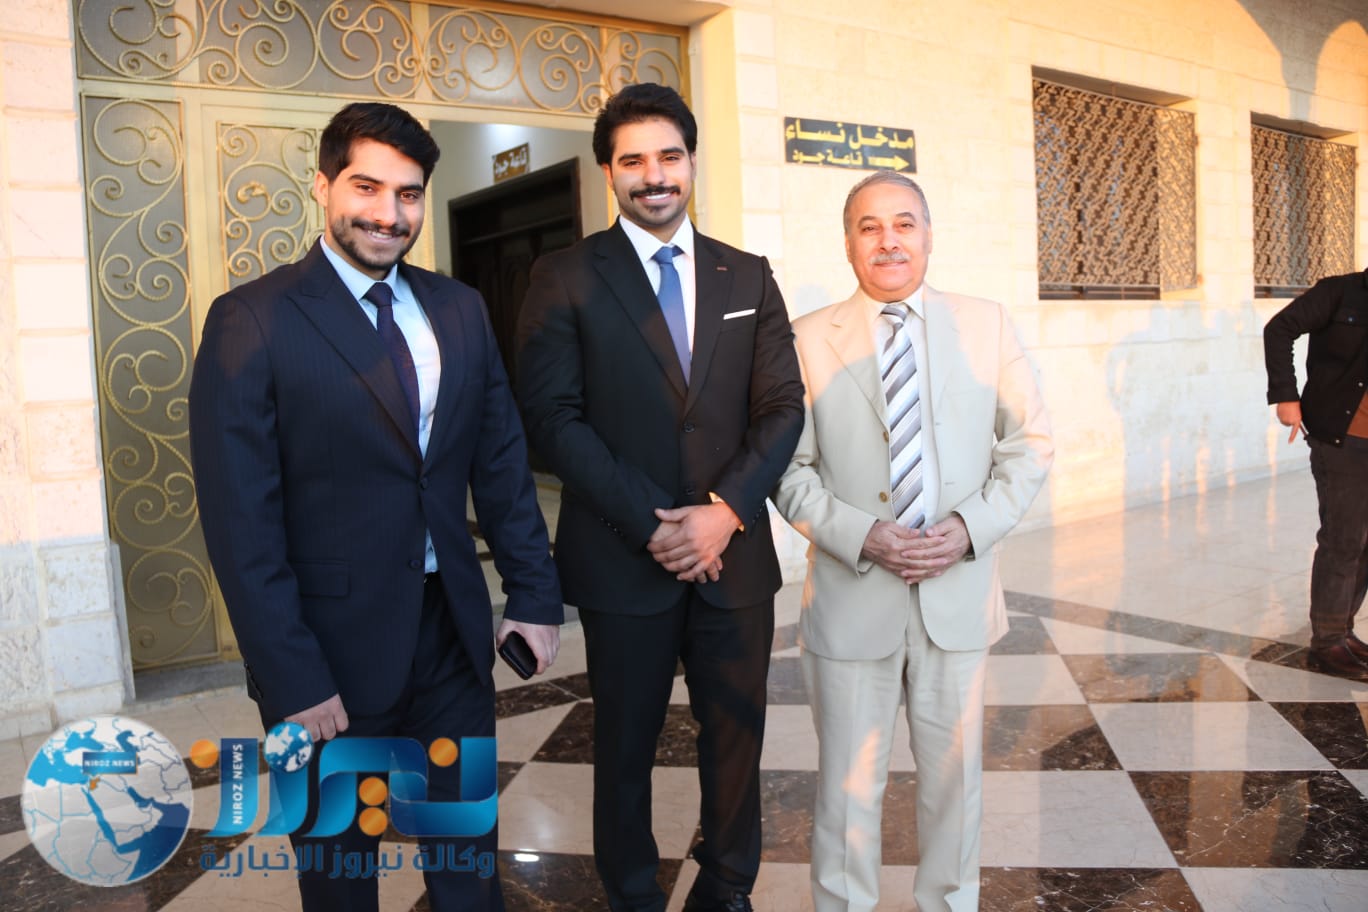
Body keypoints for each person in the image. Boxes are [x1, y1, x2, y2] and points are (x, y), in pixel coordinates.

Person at [189, 101, 563, 912]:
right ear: (323, 185)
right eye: (367, 187)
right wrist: (290, 675)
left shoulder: (458, 309)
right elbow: (240, 522)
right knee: (340, 877)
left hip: (450, 638)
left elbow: (500, 460)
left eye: (409, 194)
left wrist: (534, 593)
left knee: (466, 867)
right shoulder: (252, 320)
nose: (389, 214)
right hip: (325, 655)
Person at [514, 83, 804, 912]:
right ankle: (633, 895)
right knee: (624, 747)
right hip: (622, 559)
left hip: (734, 559)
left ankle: (728, 888)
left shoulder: (747, 274)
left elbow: (783, 406)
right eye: (633, 160)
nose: (654, 175)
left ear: (692, 162)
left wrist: (725, 511)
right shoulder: (564, 276)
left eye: (669, 156)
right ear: (608, 171)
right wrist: (656, 525)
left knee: (736, 741)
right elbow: (552, 418)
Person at [772, 171, 1053, 912]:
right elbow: (788, 471)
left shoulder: (985, 325)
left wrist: (969, 529)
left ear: (929, 235)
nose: (888, 240)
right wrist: (862, 535)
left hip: (955, 598)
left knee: (954, 785)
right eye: (869, 227)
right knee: (846, 790)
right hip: (850, 600)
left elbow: (1029, 446)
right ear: (848, 244)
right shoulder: (803, 339)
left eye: (904, 223)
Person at [1264, 267, 1368, 680]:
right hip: (1343, 438)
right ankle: (1327, 644)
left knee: (1366, 543)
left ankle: (1343, 629)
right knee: (1343, 540)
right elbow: (1279, 329)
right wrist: (1285, 395)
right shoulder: (1339, 292)